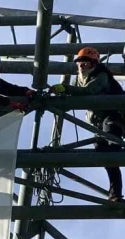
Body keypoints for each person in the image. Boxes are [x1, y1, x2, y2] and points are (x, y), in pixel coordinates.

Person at [49, 47, 124, 202]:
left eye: (86, 62)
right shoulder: (80, 78)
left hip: (114, 117)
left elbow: (88, 91)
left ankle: (115, 192)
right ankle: (115, 194)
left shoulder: (102, 76)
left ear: (94, 64)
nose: (82, 65)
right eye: (80, 62)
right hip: (99, 123)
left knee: (113, 149)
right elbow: (77, 93)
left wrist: (65, 89)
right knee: (104, 155)